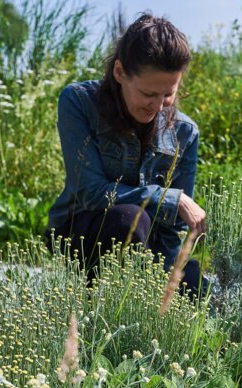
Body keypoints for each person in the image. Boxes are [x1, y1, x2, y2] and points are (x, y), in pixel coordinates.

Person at [46, 13, 207, 295]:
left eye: (168, 94)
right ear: (119, 72)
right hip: (82, 234)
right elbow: (92, 192)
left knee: (193, 285)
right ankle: (93, 305)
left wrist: (164, 287)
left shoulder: (186, 132)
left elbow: (173, 229)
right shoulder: (79, 102)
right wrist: (171, 198)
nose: (159, 106)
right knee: (131, 219)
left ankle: (139, 303)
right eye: (148, 94)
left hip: (146, 249)